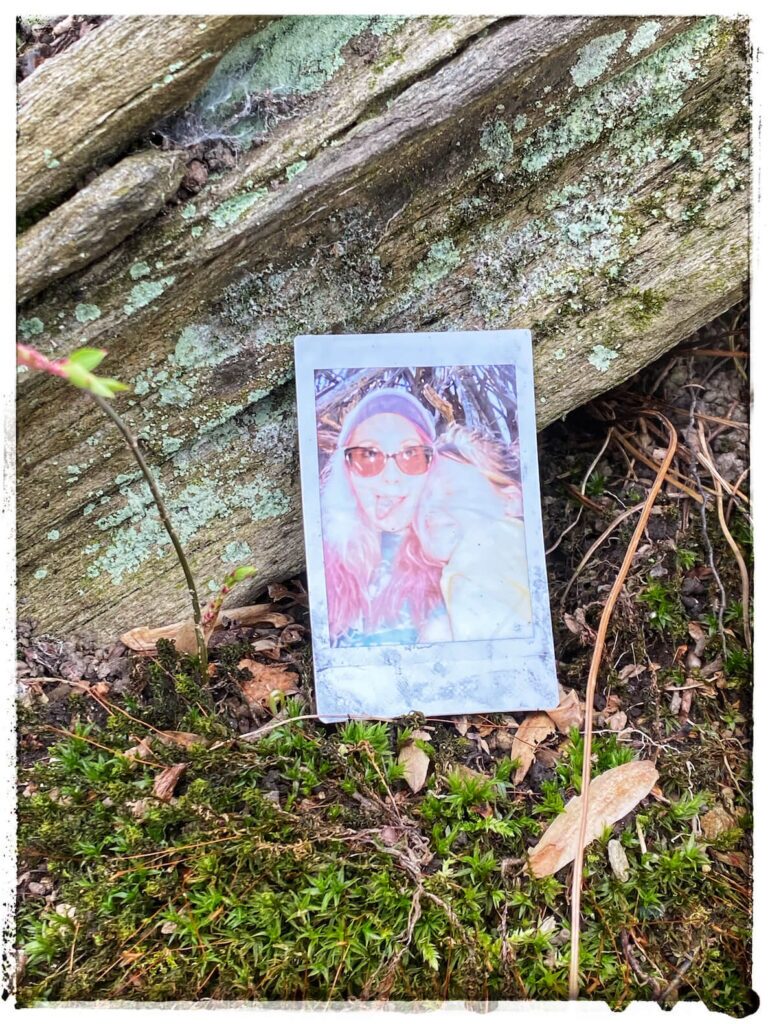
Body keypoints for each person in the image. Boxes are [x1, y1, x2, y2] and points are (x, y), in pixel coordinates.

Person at [320, 387, 444, 646]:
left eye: (410, 454)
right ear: (347, 471)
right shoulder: (326, 561)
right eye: (368, 455)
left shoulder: (456, 558)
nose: (391, 476)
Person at [414, 423, 532, 642]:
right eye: (422, 498)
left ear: (512, 500)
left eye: (451, 490)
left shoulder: (492, 541)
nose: (428, 508)